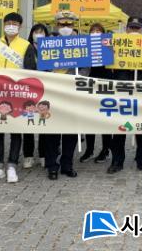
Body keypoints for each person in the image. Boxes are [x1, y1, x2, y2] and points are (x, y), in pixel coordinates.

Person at [0, 12, 37, 184]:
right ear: (3, 24)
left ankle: (12, 165)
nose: (11, 26)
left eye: (15, 23)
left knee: (15, 130)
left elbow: (30, 70)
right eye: (8, 23)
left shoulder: (26, 45)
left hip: (17, 93)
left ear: (20, 26)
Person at [107, 17, 142, 174]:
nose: (134, 31)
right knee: (119, 128)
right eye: (131, 28)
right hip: (121, 90)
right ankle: (117, 161)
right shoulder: (117, 44)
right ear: (126, 29)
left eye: (137, 28)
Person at [44, 11, 80, 180]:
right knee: (51, 132)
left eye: (69, 24)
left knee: (71, 131)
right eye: (62, 24)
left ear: (73, 26)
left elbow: (86, 68)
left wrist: (79, 80)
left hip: (72, 92)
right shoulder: (49, 43)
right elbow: (42, 68)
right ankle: (52, 165)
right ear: (56, 25)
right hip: (53, 91)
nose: (65, 27)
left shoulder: (81, 44)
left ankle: (67, 164)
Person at [80, 23, 114, 164]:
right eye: (93, 31)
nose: (95, 33)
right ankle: (89, 149)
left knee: (105, 119)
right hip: (90, 83)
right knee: (90, 119)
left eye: (98, 31)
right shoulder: (86, 47)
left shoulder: (108, 46)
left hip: (106, 83)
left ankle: (106, 149)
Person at [22, 23, 50, 169]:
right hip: (29, 90)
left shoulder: (51, 49)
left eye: (42, 32)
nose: (39, 34)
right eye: (36, 32)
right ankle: (28, 155)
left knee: (44, 123)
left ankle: (43, 154)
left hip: (46, 89)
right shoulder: (26, 47)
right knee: (29, 123)